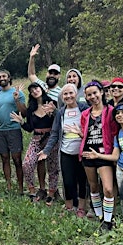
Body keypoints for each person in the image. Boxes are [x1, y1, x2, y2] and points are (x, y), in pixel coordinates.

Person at [38, 84, 89, 217]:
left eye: (70, 93)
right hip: (66, 152)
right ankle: (69, 207)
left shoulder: (84, 109)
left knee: (82, 180)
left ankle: (81, 208)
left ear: (76, 94)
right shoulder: (61, 112)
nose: (68, 96)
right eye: (65, 94)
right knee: (68, 181)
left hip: (82, 152)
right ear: (62, 97)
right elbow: (55, 133)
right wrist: (46, 151)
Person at [79, 80, 119, 230]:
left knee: (108, 188)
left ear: (102, 92)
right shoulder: (85, 114)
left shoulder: (110, 111)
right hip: (88, 153)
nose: (93, 97)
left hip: (104, 155)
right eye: (89, 95)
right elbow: (86, 132)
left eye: (95, 93)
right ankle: (100, 215)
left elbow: (115, 132)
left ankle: (108, 220)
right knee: (93, 186)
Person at [11, 82, 59, 205]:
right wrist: (22, 122)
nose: (35, 91)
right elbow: (30, 128)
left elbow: (59, 120)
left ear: (41, 88)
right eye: (32, 91)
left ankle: (51, 193)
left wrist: (54, 112)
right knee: (27, 163)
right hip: (36, 139)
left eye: (36, 88)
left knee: (52, 167)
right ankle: (33, 191)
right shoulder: (31, 108)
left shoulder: (52, 103)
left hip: (51, 139)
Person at [0, 71, 26, 194]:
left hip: (14, 129)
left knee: (17, 159)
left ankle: (21, 188)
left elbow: (24, 113)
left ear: (9, 78)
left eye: (4, 76)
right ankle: (8, 186)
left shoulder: (17, 93)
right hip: (0, 130)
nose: (2, 79)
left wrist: (17, 100)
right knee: (4, 158)